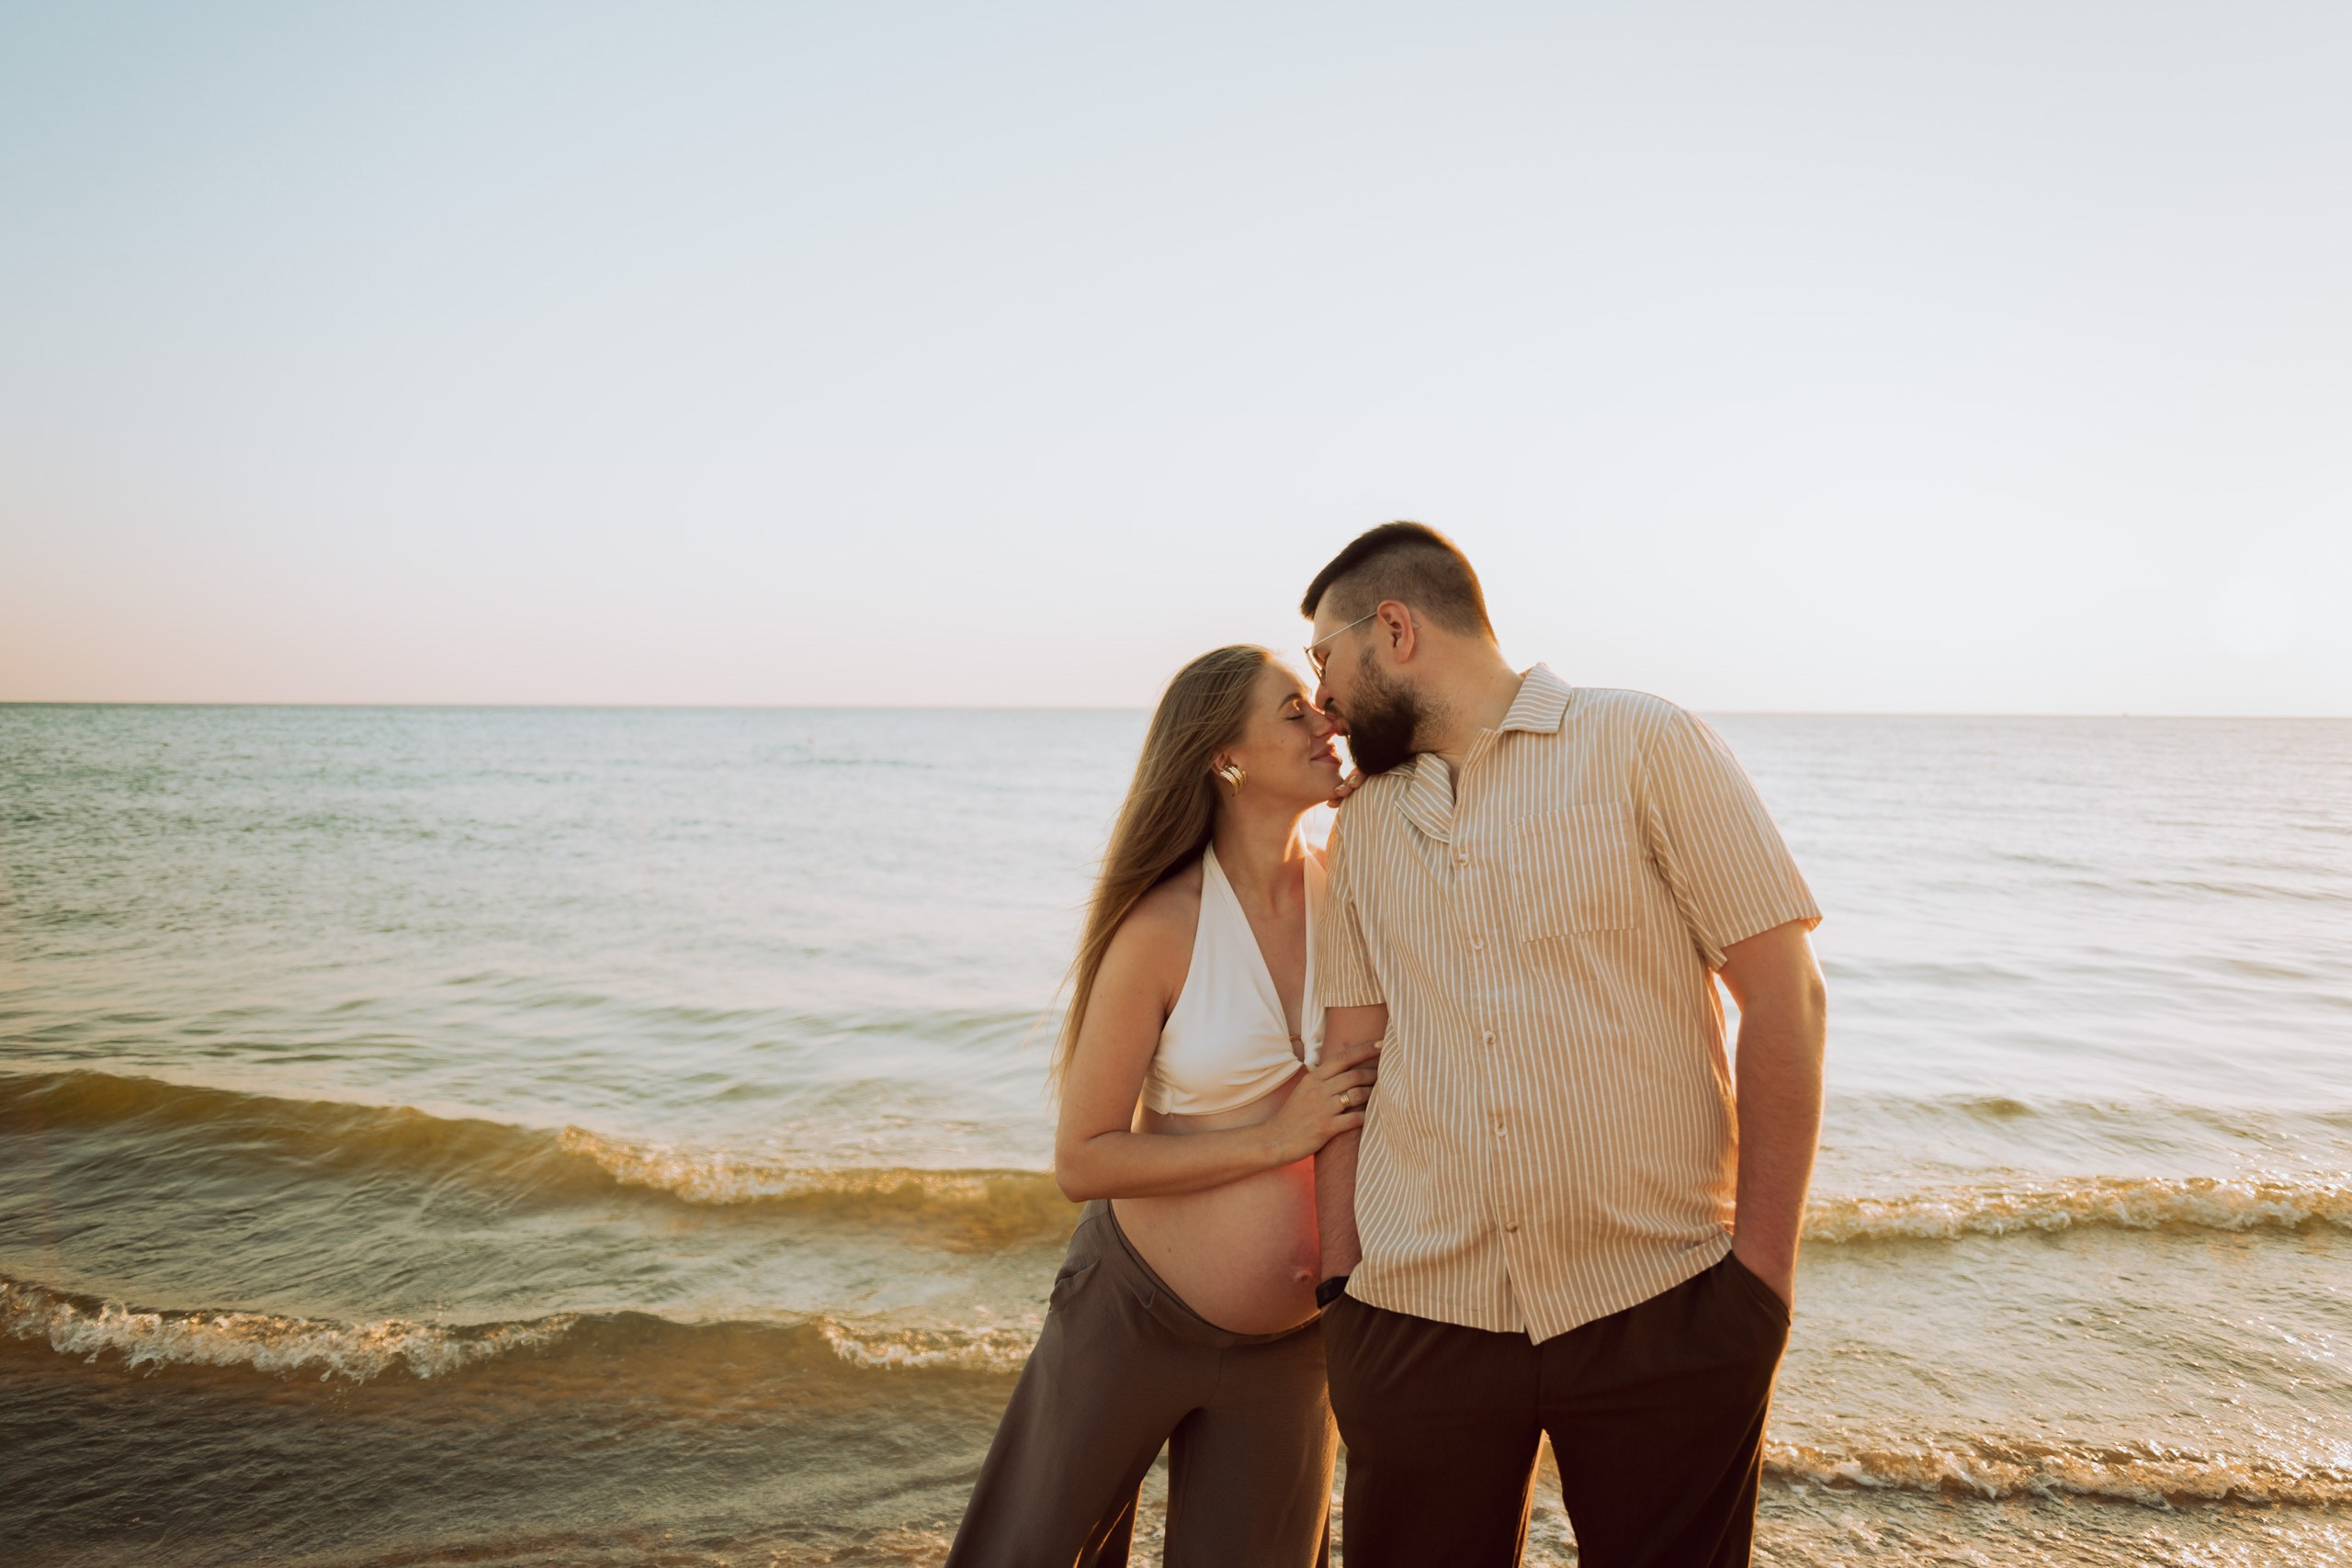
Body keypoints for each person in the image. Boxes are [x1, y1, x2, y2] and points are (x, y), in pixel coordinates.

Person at [1302, 523, 1828, 1568]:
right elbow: (1349, 1060)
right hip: (1413, 1319)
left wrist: (1760, 1278)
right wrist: (1340, 1291)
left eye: (1325, 657)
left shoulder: (1643, 744)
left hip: (1661, 1308)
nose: (1320, 698)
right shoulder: (1360, 829)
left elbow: (1785, 1002)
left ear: (1393, 629)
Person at [946, 645, 1383, 1568]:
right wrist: (1275, 1140)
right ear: (1226, 757)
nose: (1327, 723)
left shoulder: (1352, 892)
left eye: (1320, 708)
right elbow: (1086, 1160)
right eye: (1294, 712)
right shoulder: (1161, 929)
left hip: (1293, 1347)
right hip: (1134, 1315)